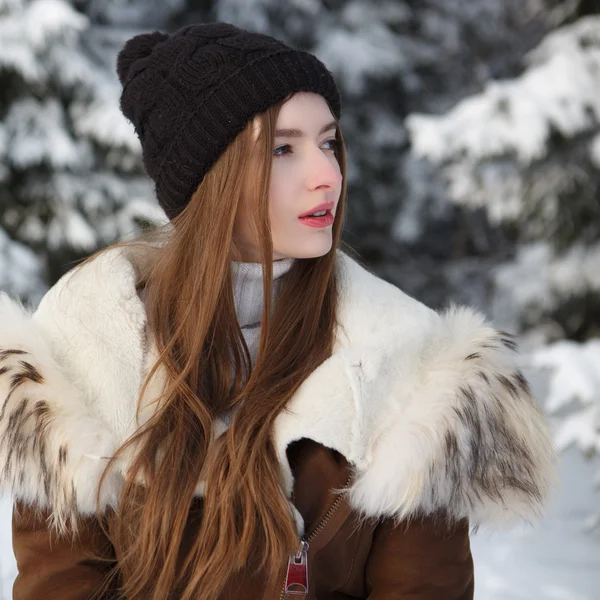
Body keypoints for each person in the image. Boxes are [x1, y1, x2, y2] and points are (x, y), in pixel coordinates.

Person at [0, 22, 555, 600]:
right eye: (283, 149)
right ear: (208, 180)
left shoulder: (411, 367)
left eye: (329, 142)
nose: (326, 176)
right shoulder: (76, 353)